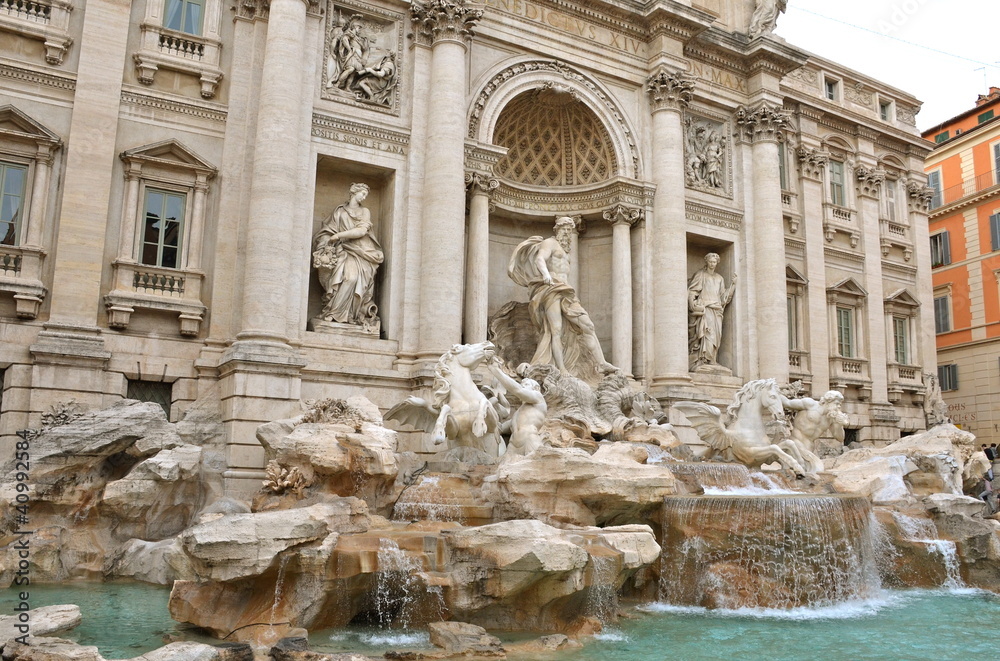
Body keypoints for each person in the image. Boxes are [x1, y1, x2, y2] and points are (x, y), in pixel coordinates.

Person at [508, 217, 616, 381]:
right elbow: (539, 259)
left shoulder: (566, 250)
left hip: (567, 292)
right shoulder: (550, 243)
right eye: (564, 229)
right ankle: (562, 369)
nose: (567, 232)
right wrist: (546, 275)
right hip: (551, 288)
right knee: (555, 330)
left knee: (588, 325)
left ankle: (601, 363)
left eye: (569, 229)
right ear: (557, 229)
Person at [312, 183, 384, 330]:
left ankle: (350, 315)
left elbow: (361, 231)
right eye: (362, 194)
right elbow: (328, 231)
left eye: (365, 195)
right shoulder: (339, 211)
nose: (364, 197)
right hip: (342, 250)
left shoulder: (365, 211)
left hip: (361, 251)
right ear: (353, 192)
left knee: (352, 279)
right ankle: (334, 313)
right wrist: (328, 239)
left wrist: (338, 235)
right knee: (340, 278)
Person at [487, 360, 547, 457]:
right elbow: (500, 428)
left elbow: (518, 390)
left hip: (529, 440)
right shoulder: (518, 412)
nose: (523, 387)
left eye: (526, 385)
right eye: (522, 385)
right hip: (513, 446)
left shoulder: (539, 399)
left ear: (536, 388)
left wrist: (496, 371)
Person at [688, 252, 737, 369]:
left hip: (717, 310)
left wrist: (733, 285)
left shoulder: (719, 278)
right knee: (707, 335)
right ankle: (704, 360)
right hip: (706, 308)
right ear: (707, 262)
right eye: (710, 261)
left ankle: (713, 359)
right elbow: (692, 291)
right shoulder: (701, 275)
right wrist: (693, 304)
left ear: (717, 263)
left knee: (716, 336)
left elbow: (723, 297)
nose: (712, 264)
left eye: (714, 262)